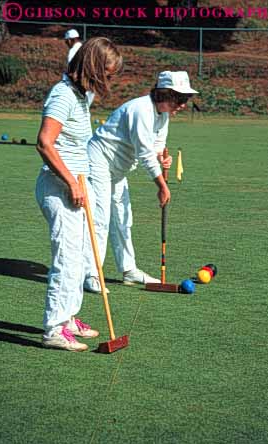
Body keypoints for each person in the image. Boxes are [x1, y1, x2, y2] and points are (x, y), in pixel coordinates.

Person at [35, 37, 123, 352]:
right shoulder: (62, 95)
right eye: (108, 74)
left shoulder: (79, 95)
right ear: (94, 68)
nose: (110, 81)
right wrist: (73, 183)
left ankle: (69, 318)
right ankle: (54, 330)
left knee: (80, 255)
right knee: (67, 258)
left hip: (76, 185)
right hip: (59, 187)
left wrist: (79, 182)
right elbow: (44, 143)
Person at [87, 71, 198, 286]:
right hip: (99, 161)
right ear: (165, 94)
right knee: (101, 218)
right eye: (181, 99)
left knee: (123, 217)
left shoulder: (163, 115)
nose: (183, 104)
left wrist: (162, 158)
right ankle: (91, 274)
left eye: (186, 99)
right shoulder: (140, 110)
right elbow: (144, 153)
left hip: (118, 169)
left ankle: (128, 270)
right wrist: (161, 185)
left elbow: (155, 147)